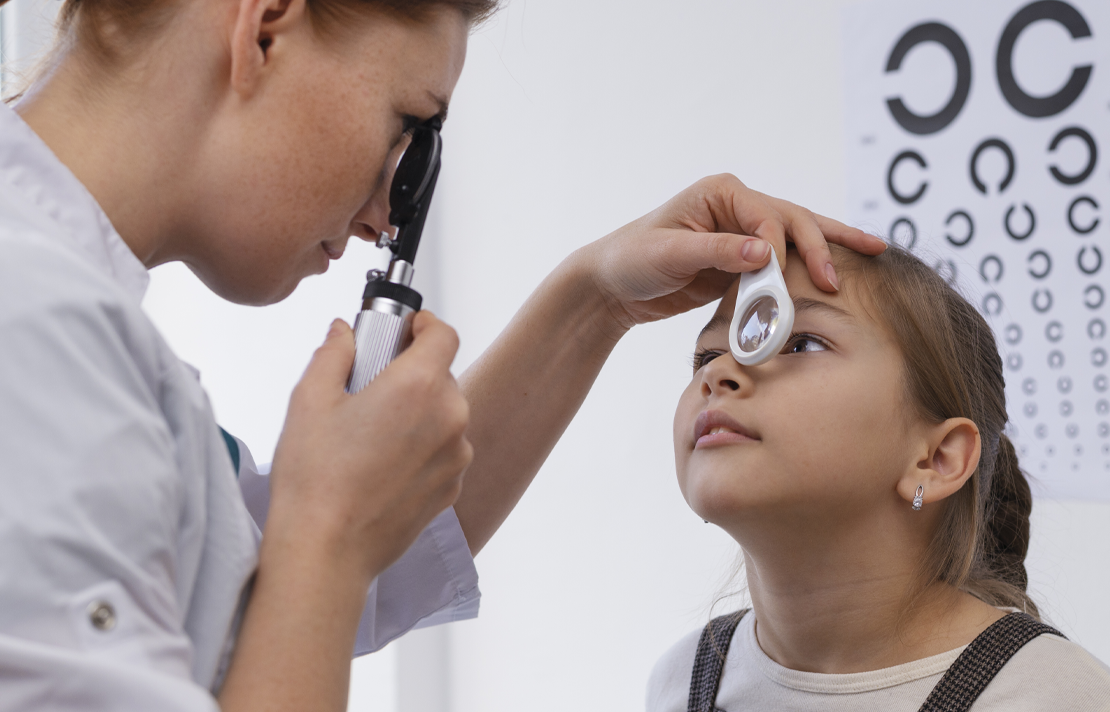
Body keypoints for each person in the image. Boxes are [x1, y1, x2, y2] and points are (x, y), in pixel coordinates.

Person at [0, 0, 887, 709]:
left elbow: (272, 601)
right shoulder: (35, 331)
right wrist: (330, 535)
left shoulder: (73, 330)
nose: (393, 209)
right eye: (405, 125)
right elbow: (309, 575)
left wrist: (596, 301)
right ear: (264, 26)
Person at [648, 245, 1110, 711]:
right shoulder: (679, 680)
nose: (720, 371)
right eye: (707, 354)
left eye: (800, 343)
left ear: (936, 459)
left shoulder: (1058, 696)